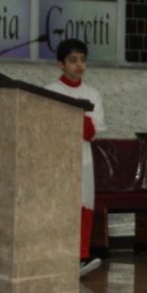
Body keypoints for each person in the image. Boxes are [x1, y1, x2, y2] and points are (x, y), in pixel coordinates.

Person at [46, 38, 104, 277]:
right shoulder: (50, 91)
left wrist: (79, 114)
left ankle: (81, 256)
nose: (78, 65)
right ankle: (55, 256)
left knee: (83, 205)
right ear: (61, 64)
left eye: (82, 60)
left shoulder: (92, 93)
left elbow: (91, 132)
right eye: (72, 60)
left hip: (83, 158)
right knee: (59, 206)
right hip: (58, 158)